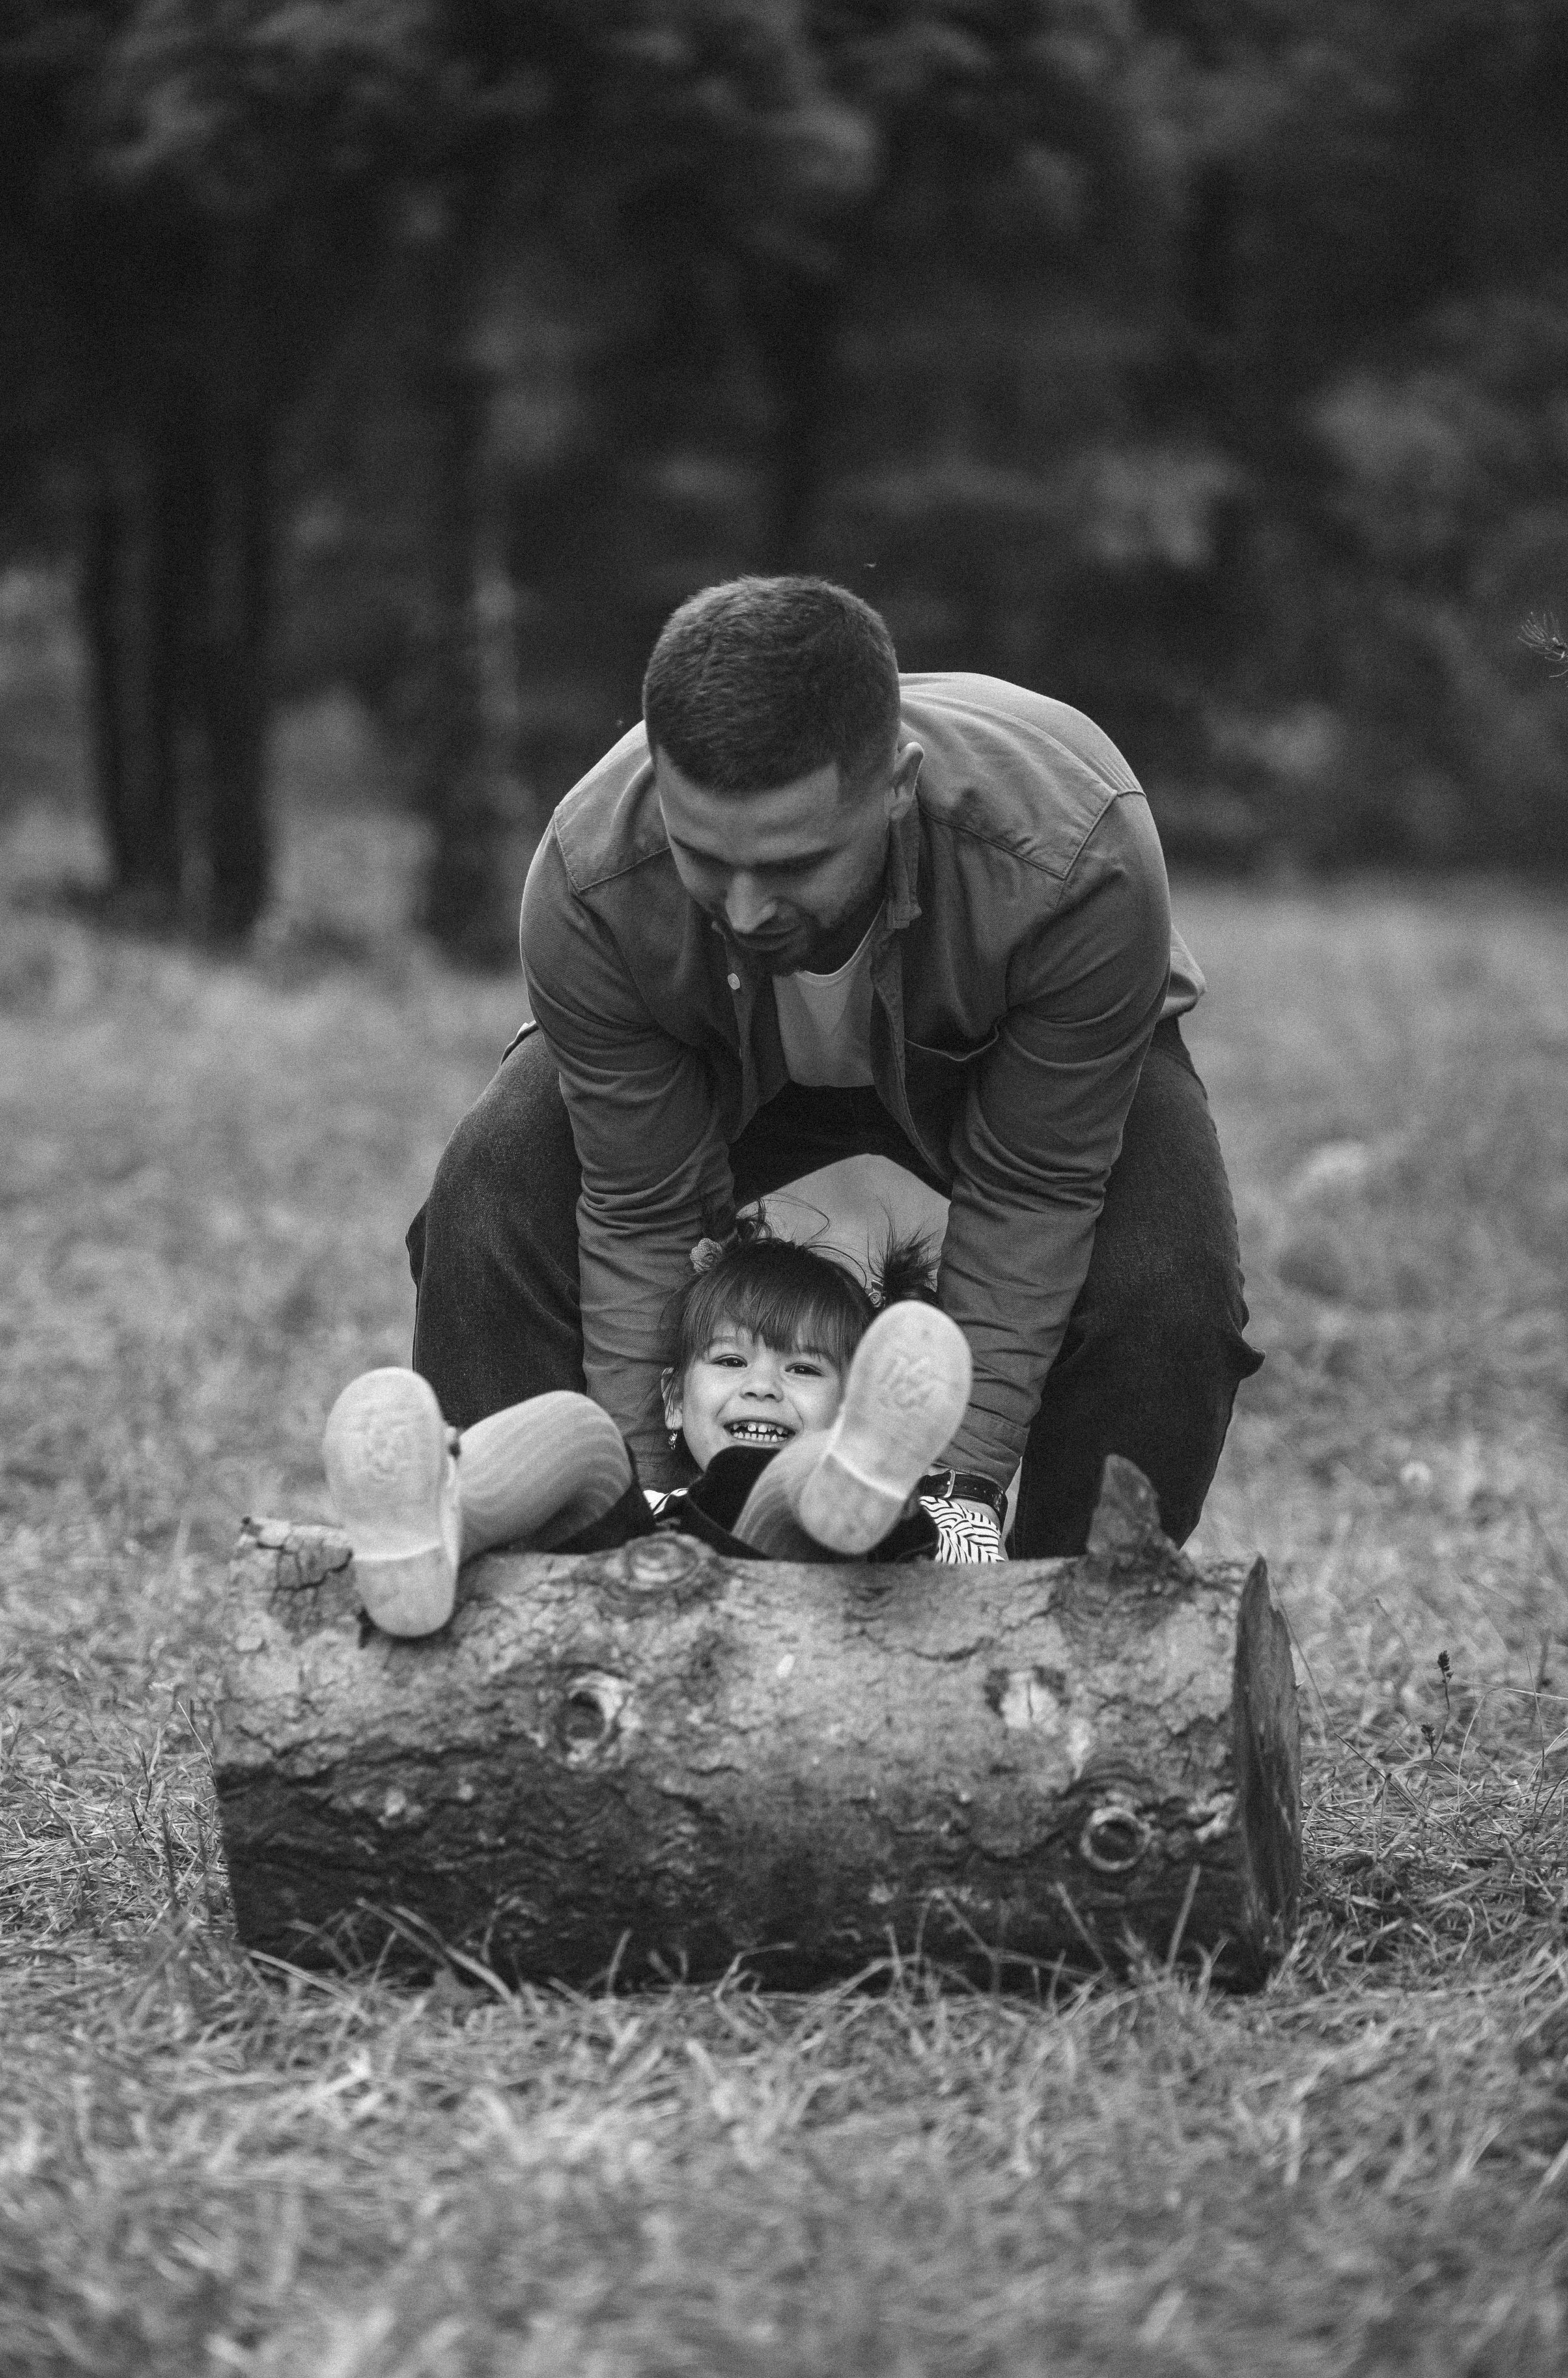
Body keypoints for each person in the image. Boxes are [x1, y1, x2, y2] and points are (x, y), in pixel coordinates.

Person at [409, 575, 1262, 1560]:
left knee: (1167, 1276)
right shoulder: (591, 878)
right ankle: (533, 1583)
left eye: (790, 865)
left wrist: (959, 1489)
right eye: (702, 857)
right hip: (710, 1064)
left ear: (896, 789)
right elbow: (640, 1210)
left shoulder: (1075, 859)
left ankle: (1061, 1621)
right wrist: (648, 1514)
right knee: (494, 1180)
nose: (743, 911)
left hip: (1006, 1062)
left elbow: (1034, 1191)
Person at [322, 1237, 979, 1638]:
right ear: (673, 1401)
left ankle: (852, 1478)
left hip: (804, 1620)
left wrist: (913, 1513)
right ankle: (438, 1525)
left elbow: (983, 1587)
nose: (762, 1386)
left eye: (803, 1369)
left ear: (853, 1406)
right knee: (580, 1427)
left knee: (780, 1478)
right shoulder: (656, 1506)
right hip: (625, 1627)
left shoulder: (945, 1516)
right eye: (730, 1360)